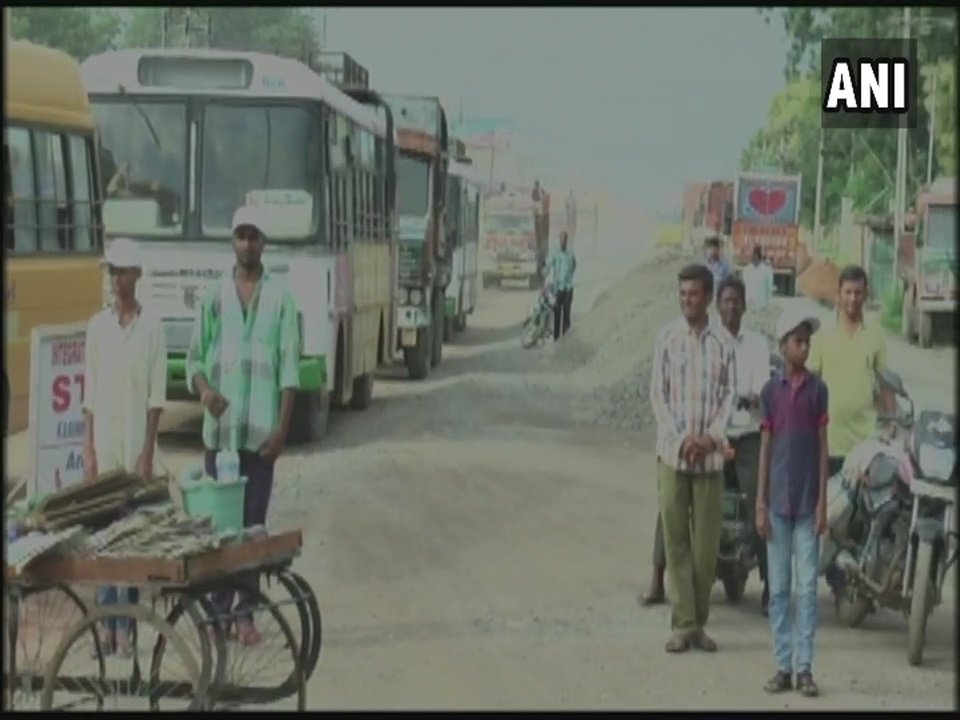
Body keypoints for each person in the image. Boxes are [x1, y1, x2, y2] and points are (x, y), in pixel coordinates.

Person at [186, 205, 300, 646]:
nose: (247, 244)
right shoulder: (214, 296)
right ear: (232, 242)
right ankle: (217, 616)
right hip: (221, 438)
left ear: (263, 243)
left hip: (260, 437)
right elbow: (195, 359)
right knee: (219, 532)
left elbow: (290, 368)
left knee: (253, 529)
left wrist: (283, 431)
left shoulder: (280, 297)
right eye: (241, 236)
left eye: (254, 237)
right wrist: (205, 392)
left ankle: (246, 615)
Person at [639, 276, 770, 613]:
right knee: (670, 511)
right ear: (717, 303)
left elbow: (749, 391)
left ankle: (770, 584)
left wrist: (713, 433)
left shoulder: (752, 345)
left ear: (743, 305)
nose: (729, 307)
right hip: (694, 442)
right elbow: (663, 395)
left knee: (761, 498)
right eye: (725, 301)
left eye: (735, 301)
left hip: (744, 435)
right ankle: (657, 576)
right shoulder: (674, 338)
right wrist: (690, 439)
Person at [82, 238, 167, 657]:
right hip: (106, 447)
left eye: (123, 271)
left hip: (134, 449)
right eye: (112, 272)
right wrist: (89, 449)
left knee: (130, 542)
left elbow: (155, 398)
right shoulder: (97, 328)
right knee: (103, 542)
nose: (116, 280)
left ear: (137, 275)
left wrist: (148, 452)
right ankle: (104, 627)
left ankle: (126, 629)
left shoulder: (152, 328)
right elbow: (89, 392)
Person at [649, 263, 735, 653]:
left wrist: (710, 438)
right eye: (682, 294)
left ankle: (699, 622)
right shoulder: (666, 338)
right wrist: (683, 438)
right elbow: (658, 396)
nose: (687, 301)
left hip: (711, 460)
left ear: (708, 297)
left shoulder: (724, 344)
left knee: (705, 546)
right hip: (672, 455)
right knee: (676, 540)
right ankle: (683, 624)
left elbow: (729, 397)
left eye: (694, 294)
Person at [756, 309, 829, 697]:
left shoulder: (818, 391)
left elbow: (822, 448)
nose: (804, 346)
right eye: (798, 340)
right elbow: (766, 449)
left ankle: (805, 668)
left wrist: (821, 504)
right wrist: (760, 503)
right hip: (778, 504)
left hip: (806, 503)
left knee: (806, 589)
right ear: (783, 345)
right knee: (780, 589)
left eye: (807, 341)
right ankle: (782, 665)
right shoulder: (771, 393)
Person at [807, 265, 891, 477]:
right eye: (848, 292)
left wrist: (891, 425)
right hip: (830, 442)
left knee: (865, 509)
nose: (853, 298)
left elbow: (885, 385)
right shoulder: (823, 334)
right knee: (829, 507)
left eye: (858, 293)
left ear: (866, 295)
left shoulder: (875, 334)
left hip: (865, 447)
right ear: (838, 294)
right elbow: (809, 383)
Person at [548, 230, 577, 340]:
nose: (563, 241)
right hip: (557, 289)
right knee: (557, 315)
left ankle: (566, 339)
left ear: (567, 240)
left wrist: (569, 277)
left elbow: (574, 265)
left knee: (566, 314)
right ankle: (556, 338)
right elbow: (550, 265)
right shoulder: (555, 253)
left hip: (568, 288)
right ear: (559, 240)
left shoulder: (570, 253)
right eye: (561, 239)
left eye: (564, 239)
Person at [742, 244, 773, 309]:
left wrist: (767, 304)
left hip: (762, 305)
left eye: (753, 255)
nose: (751, 257)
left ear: (757, 256)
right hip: (748, 304)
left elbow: (769, 289)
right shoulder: (746, 270)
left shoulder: (767, 271)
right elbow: (744, 287)